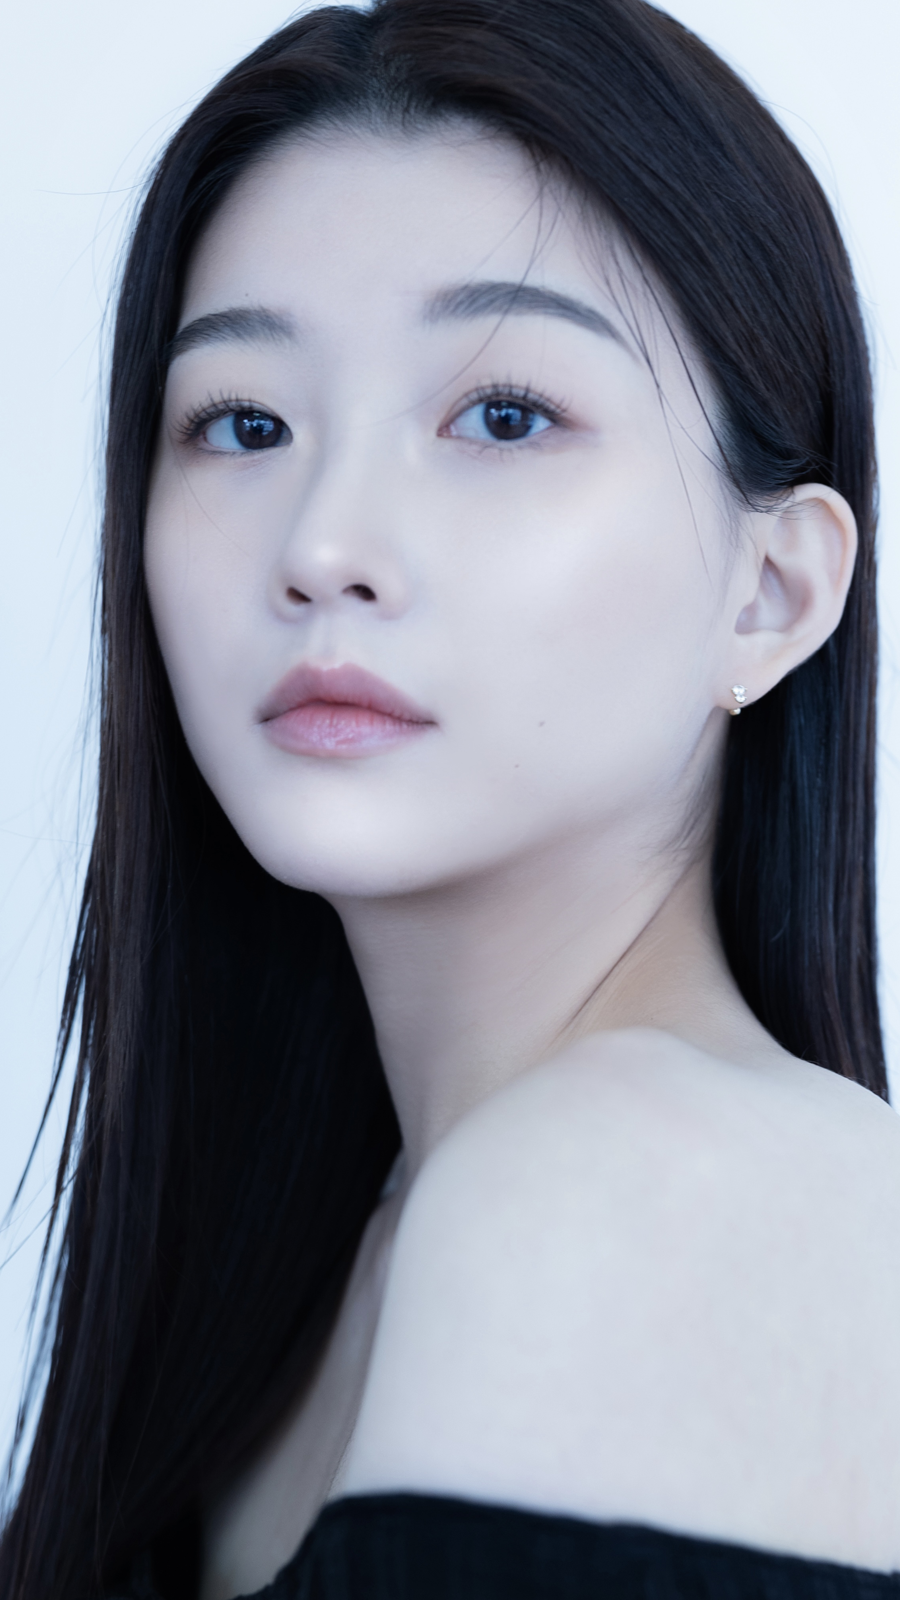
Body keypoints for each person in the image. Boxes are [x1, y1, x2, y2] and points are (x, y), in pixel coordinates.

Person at [2, 0, 898, 1595]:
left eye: (503, 415)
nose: (322, 543)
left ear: (771, 595)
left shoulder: (641, 1194)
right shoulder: (313, 1262)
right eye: (244, 423)